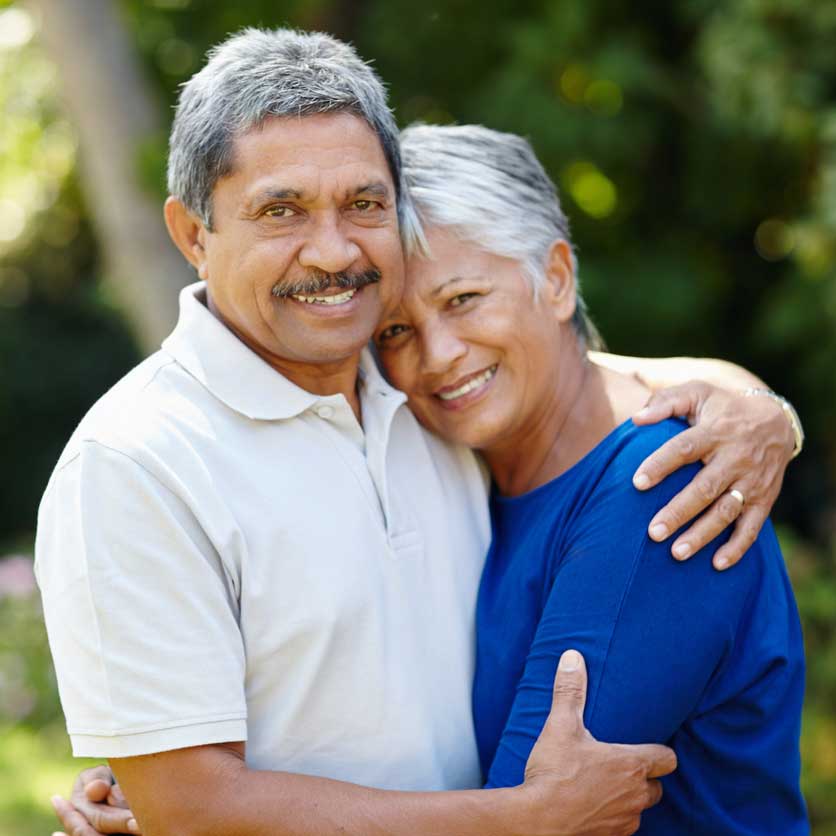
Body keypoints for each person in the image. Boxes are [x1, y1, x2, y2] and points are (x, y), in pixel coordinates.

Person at [40, 28, 800, 836]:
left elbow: (580, 381)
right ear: (194, 234)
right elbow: (194, 804)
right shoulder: (134, 462)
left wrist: (759, 408)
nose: (332, 251)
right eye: (280, 209)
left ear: (555, 276)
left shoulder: (431, 412)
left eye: (363, 204)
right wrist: (520, 820)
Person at [368, 123, 808, 833]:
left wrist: (212, 818)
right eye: (394, 332)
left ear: (557, 279)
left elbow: (527, 817)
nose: (438, 354)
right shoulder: (457, 474)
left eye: (463, 299)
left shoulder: (660, 485)